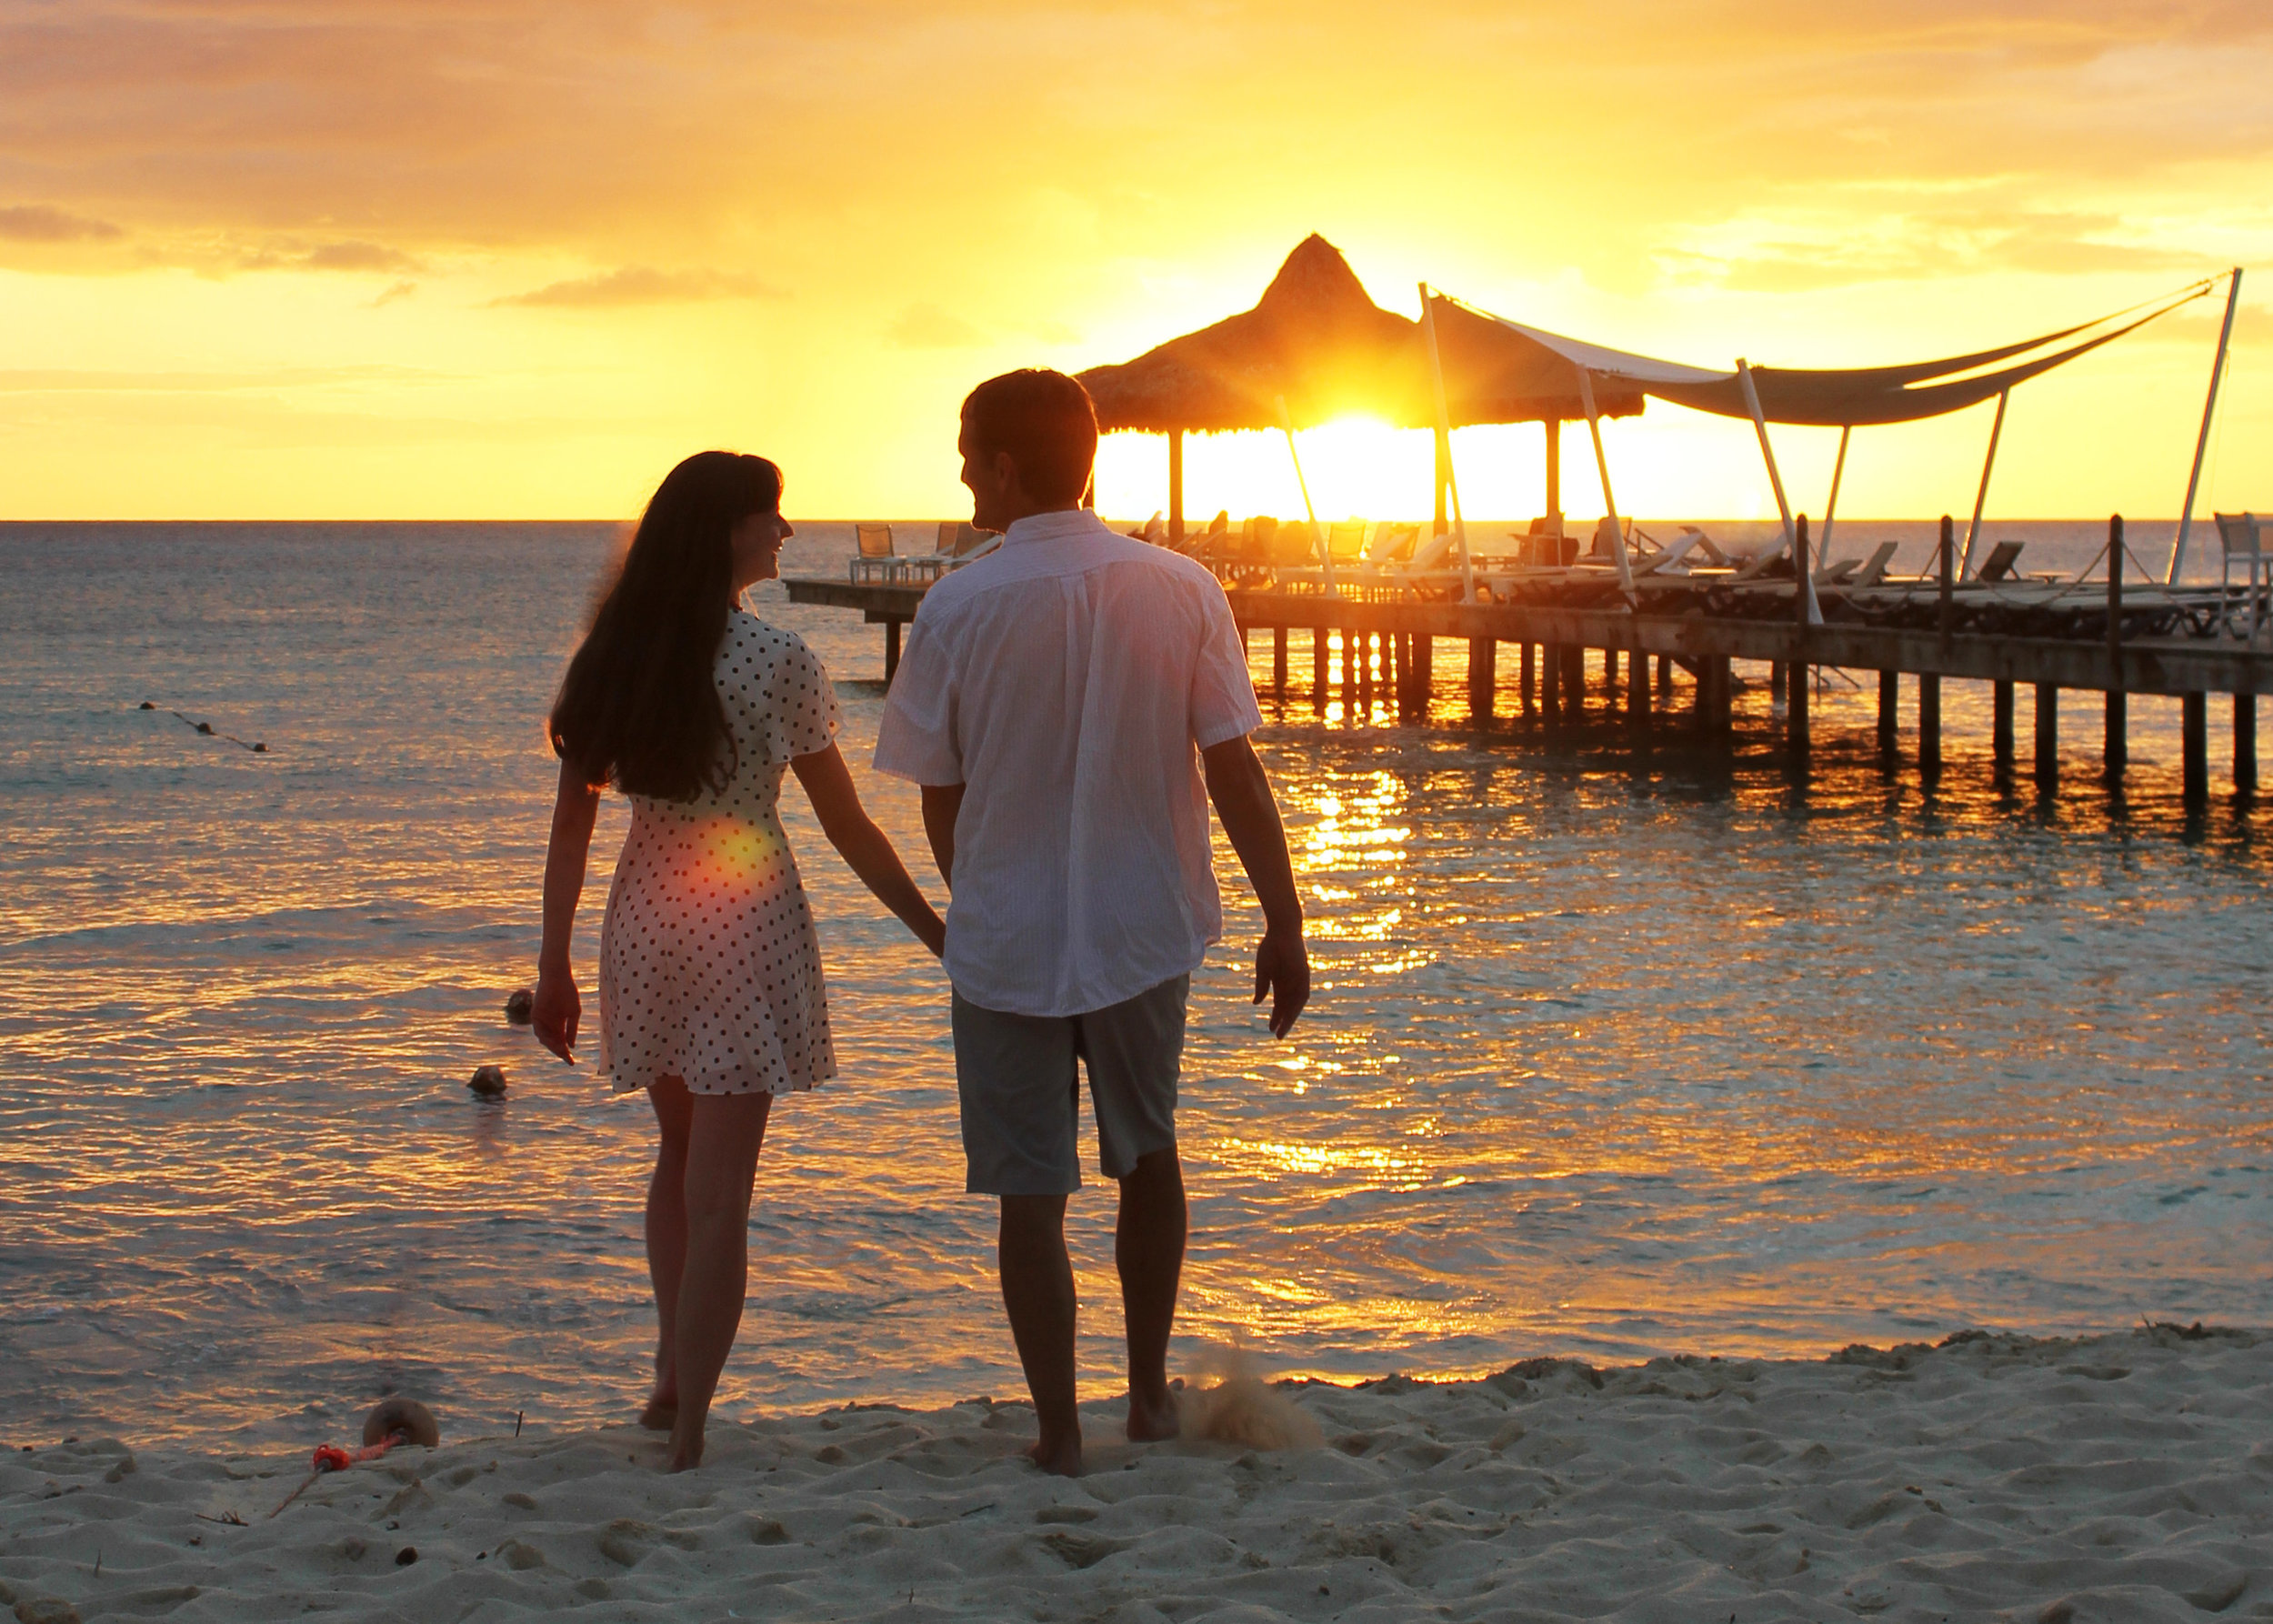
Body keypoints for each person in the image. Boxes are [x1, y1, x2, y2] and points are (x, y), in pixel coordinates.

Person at [874, 370, 1309, 1476]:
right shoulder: (1179, 586)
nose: (963, 469)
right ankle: (1150, 1397)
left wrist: (977, 900)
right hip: (1140, 923)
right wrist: (1283, 917)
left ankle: (1060, 1431)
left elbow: (937, 787)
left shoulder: (958, 603)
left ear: (1011, 466)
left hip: (1008, 936)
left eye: (971, 450)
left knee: (1031, 1191)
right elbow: (1230, 765)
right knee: (1147, 1153)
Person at [532, 450, 944, 1472]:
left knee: (678, 1157)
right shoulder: (777, 660)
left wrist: (555, 966)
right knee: (722, 1193)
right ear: (724, 531)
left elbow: (571, 829)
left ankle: (670, 1374)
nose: (787, 534)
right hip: (743, 915)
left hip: (645, 913)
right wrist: (937, 930)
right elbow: (845, 824)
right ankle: (691, 1428)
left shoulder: (615, 653)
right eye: (772, 516)